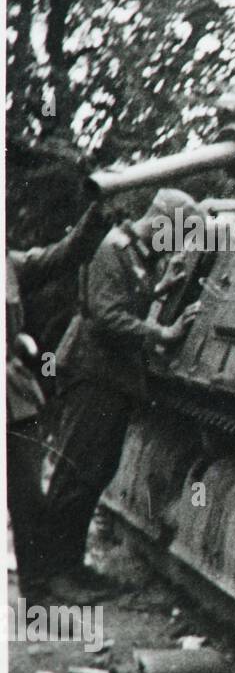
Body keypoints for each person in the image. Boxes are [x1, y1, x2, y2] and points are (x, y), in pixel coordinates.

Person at [43, 189, 203, 593]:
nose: (178, 245)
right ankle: (52, 574)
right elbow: (106, 314)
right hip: (90, 371)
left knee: (95, 472)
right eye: (177, 235)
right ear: (162, 224)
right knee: (75, 472)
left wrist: (159, 289)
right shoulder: (111, 249)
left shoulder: (132, 253)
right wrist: (161, 332)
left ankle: (70, 567)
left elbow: (123, 298)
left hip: (108, 375)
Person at [6, 202, 113, 602]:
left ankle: (38, 587)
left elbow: (64, 253)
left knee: (28, 499)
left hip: (13, 397)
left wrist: (96, 212)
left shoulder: (10, 265)